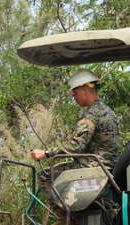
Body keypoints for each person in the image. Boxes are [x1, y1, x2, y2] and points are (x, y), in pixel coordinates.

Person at [30, 69, 120, 225]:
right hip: (108, 166)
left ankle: (69, 217)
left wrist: (46, 153)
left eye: (75, 93)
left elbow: (76, 146)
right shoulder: (108, 111)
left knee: (45, 175)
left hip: (94, 166)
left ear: (85, 90)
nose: (74, 98)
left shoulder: (91, 115)